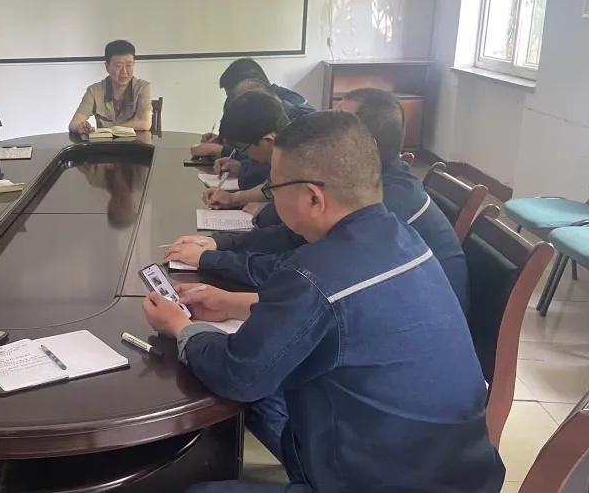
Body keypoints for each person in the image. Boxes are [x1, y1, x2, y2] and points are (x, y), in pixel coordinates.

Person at [145, 112, 504, 492]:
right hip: (457, 472)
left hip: (383, 481)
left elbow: (239, 375)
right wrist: (233, 305)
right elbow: (342, 315)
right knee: (267, 400)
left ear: (313, 198)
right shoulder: (407, 239)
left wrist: (181, 328)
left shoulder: (314, 272)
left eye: (273, 188)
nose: (271, 197)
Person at [170, 88, 470, 312]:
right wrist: (218, 244)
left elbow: (305, 271)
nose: (324, 127)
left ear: (364, 143)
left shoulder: (382, 203)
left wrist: (215, 262)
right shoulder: (364, 183)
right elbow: (294, 240)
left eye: (339, 123)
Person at [198, 91, 289, 210]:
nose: (248, 157)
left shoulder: (301, 162)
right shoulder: (286, 154)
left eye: (244, 150)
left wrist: (265, 212)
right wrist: (232, 199)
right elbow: (271, 188)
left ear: (267, 140)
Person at [69, 40, 153, 133]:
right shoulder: (94, 91)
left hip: (136, 142)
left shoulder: (142, 87)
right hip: (105, 142)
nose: (124, 72)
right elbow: (74, 124)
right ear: (107, 67)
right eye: (118, 66)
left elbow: (145, 123)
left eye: (129, 65)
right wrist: (80, 127)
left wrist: (111, 129)